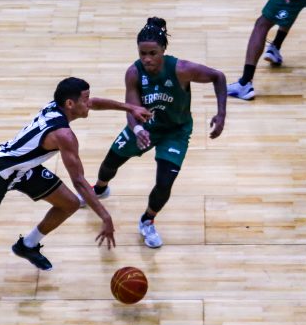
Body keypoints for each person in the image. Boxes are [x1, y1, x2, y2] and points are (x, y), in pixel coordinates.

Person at [0, 77, 152, 287]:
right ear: (70, 104)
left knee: (68, 204)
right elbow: (78, 181)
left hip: (25, 169)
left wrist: (130, 108)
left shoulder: (57, 106)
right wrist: (105, 217)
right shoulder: (64, 135)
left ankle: (27, 245)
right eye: (85, 100)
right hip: (0, 172)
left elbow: (95, 103)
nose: (89, 103)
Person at [80, 17, 227, 248]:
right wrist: (138, 129)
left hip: (176, 131)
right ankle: (99, 189)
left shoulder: (181, 69)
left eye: (153, 53)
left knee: (165, 183)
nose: (147, 59)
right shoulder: (134, 73)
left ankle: (147, 220)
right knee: (110, 162)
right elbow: (131, 108)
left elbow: (218, 76)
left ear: (163, 50)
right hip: (146, 125)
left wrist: (221, 114)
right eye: (142, 53)